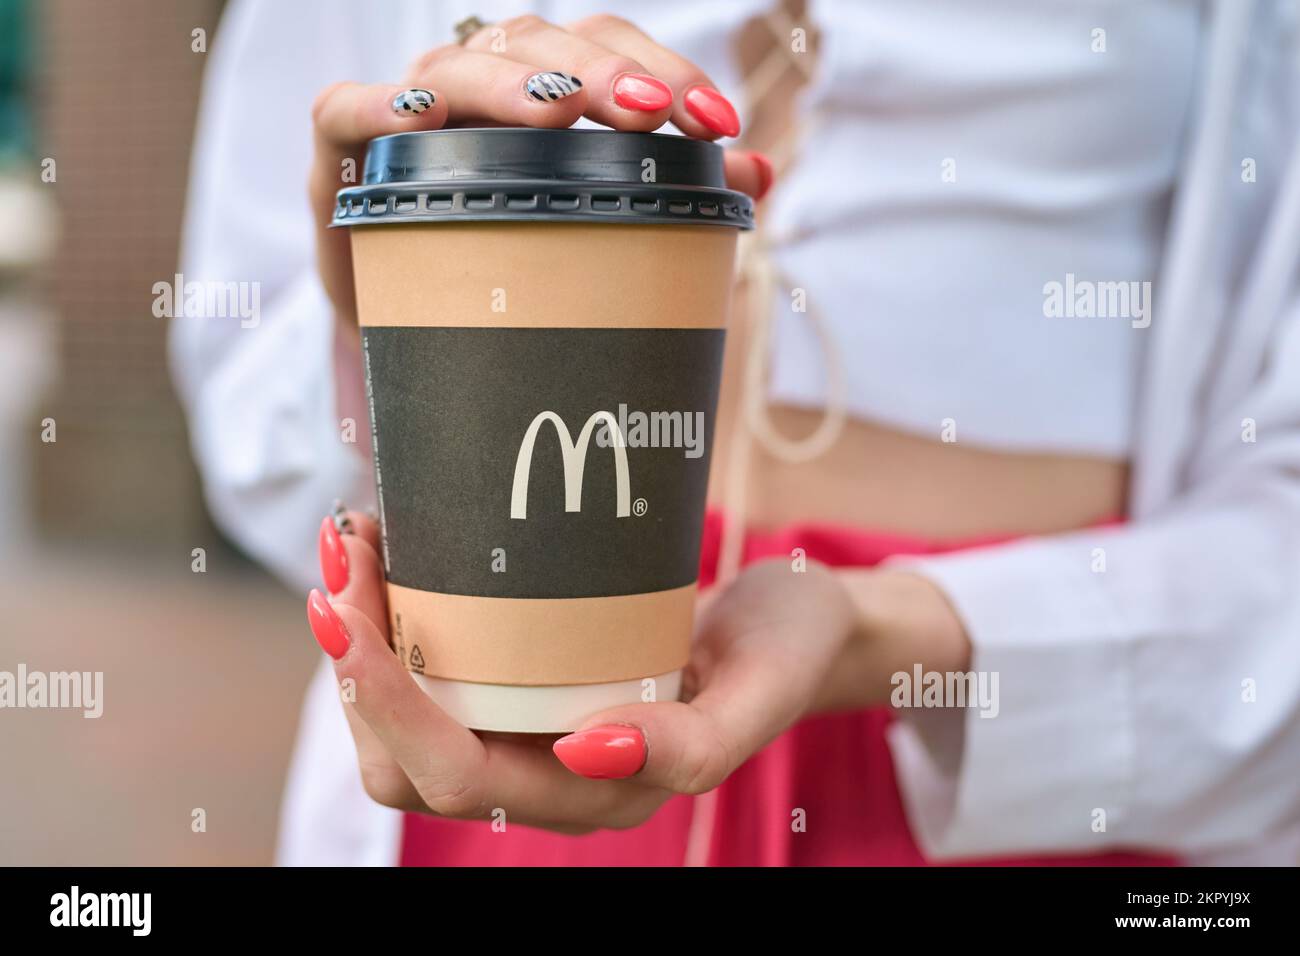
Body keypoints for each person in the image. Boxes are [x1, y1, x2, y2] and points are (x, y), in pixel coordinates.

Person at [172, 0, 1300, 866]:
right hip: (487, 724)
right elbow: (256, 418)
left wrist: (888, 629)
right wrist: (381, 311)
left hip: (1027, 735)